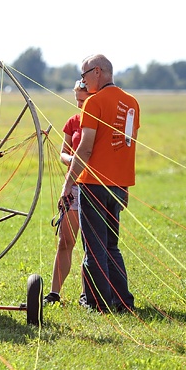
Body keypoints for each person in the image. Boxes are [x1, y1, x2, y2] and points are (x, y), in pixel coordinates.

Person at [59, 55, 139, 313]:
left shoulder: (94, 102)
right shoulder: (132, 103)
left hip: (93, 185)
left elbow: (84, 148)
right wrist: (124, 187)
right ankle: (122, 301)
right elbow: (127, 147)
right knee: (111, 246)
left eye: (83, 75)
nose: (82, 80)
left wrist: (67, 184)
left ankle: (98, 303)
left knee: (94, 247)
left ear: (96, 72)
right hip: (117, 187)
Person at [43, 80, 90, 305]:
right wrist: (73, 161)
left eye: (84, 100)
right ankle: (54, 293)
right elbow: (63, 152)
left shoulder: (100, 123)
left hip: (94, 189)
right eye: (78, 101)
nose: (80, 105)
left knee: (92, 246)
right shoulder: (73, 122)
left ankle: (87, 294)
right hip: (74, 186)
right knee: (65, 241)